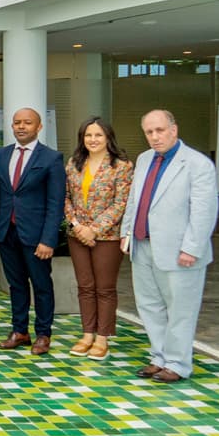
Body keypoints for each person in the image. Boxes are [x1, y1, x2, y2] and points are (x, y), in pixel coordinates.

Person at [121, 109, 218, 383]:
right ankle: (159, 357)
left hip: (180, 252)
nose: (154, 137)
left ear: (174, 130)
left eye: (159, 130)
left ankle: (178, 363)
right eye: (149, 132)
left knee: (180, 310)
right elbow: (135, 201)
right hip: (143, 245)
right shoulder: (144, 159)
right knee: (149, 306)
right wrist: (126, 233)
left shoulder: (197, 164)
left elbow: (204, 211)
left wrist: (192, 248)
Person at [0, 107, 66, 355]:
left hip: (36, 236)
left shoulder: (51, 158)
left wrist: (49, 239)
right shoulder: (1, 155)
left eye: (27, 123)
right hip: (6, 232)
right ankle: (19, 330)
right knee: (16, 284)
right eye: (17, 122)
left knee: (41, 285)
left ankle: (43, 334)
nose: (21, 127)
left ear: (38, 127)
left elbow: (56, 203)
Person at [63, 116, 134, 361]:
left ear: (108, 138)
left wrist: (94, 229)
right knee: (85, 287)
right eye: (88, 135)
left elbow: (121, 203)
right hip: (77, 235)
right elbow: (66, 198)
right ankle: (86, 334)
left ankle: (102, 338)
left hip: (107, 238)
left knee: (104, 288)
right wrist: (77, 226)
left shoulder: (122, 166)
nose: (92, 140)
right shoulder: (74, 164)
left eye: (98, 135)